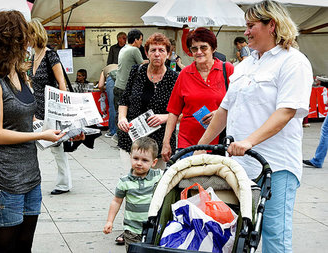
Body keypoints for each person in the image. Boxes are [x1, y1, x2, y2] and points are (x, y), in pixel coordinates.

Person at [194, 1, 313, 252]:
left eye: (251, 26)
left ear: (272, 25)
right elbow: (225, 110)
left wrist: (249, 142)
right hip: (240, 166)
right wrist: (201, 147)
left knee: (274, 234)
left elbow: (286, 111)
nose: (245, 32)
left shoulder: (293, 62)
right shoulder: (245, 64)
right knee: (236, 233)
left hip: (275, 165)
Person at [0, 10, 66, 251]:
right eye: (23, 36)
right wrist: (40, 135)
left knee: (25, 244)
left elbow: (28, 119)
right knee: (5, 247)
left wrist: (64, 128)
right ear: (9, 40)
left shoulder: (21, 74)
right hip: (4, 177)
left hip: (30, 173)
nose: (28, 41)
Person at [161, 27, 234, 162]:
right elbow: (173, 111)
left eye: (203, 47)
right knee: (189, 183)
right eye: (194, 49)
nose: (199, 52)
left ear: (213, 48)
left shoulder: (227, 69)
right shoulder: (185, 74)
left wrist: (219, 113)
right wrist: (166, 142)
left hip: (218, 144)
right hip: (188, 144)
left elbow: (239, 104)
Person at [29, 18, 81, 195]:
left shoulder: (50, 54)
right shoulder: (32, 57)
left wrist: (60, 109)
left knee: (57, 147)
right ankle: (32, 180)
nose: (26, 38)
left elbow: (62, 82)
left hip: (52, 108)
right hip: (37, 109)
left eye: (28, 34)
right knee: (34, 146)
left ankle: (64, 183)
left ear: (35, 34)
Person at [117, 33, 178, 170]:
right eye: (153, 50)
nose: (157, 54)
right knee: (131, 182)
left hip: (160, 142)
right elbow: (124, 99)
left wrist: (164, 117)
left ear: (168, 54)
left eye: (161, 50)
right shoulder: (136, 71)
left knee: (155, 186)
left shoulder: (174, 78)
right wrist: (122, 118)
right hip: (132, 138)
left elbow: (183, 112)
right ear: (146, 53)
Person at [103, 137, 162, 251]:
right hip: (132, 229)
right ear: (130, 157)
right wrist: (109, 221)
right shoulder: (124, 181)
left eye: (144, 160)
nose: (139, 163)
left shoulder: (158, 176)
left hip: (153, 228)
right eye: (135, 158)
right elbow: (116, 201)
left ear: (154, 162)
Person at [113, 29, 147, 111]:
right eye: (141, 40)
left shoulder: (124, 48)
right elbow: (143, 65)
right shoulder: (134, 50)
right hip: (126, 88)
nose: (141, 42)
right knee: (127, 117)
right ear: (136, 40)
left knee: (119, 116)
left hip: (118, 86)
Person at [98, 64, 118, 139]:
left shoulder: (104, 70)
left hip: (111, 80)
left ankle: (113, 131)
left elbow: (100, 85)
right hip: (123, 79)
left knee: (113, 106)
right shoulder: (119, 66)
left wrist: (104, 89)